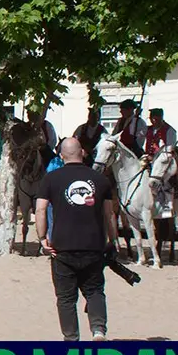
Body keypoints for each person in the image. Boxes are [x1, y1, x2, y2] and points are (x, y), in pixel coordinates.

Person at [35, 138, 117, 342]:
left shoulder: (51, 179)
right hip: (93, 244)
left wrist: (42, 237)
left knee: (65, 298)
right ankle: (98, 329)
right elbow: (110, 214)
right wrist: (113, 240)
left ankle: (71, 337)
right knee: (95, 290)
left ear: (61, 156)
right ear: (83, 152)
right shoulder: (100, 180)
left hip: (62, 246)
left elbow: (41, 209)